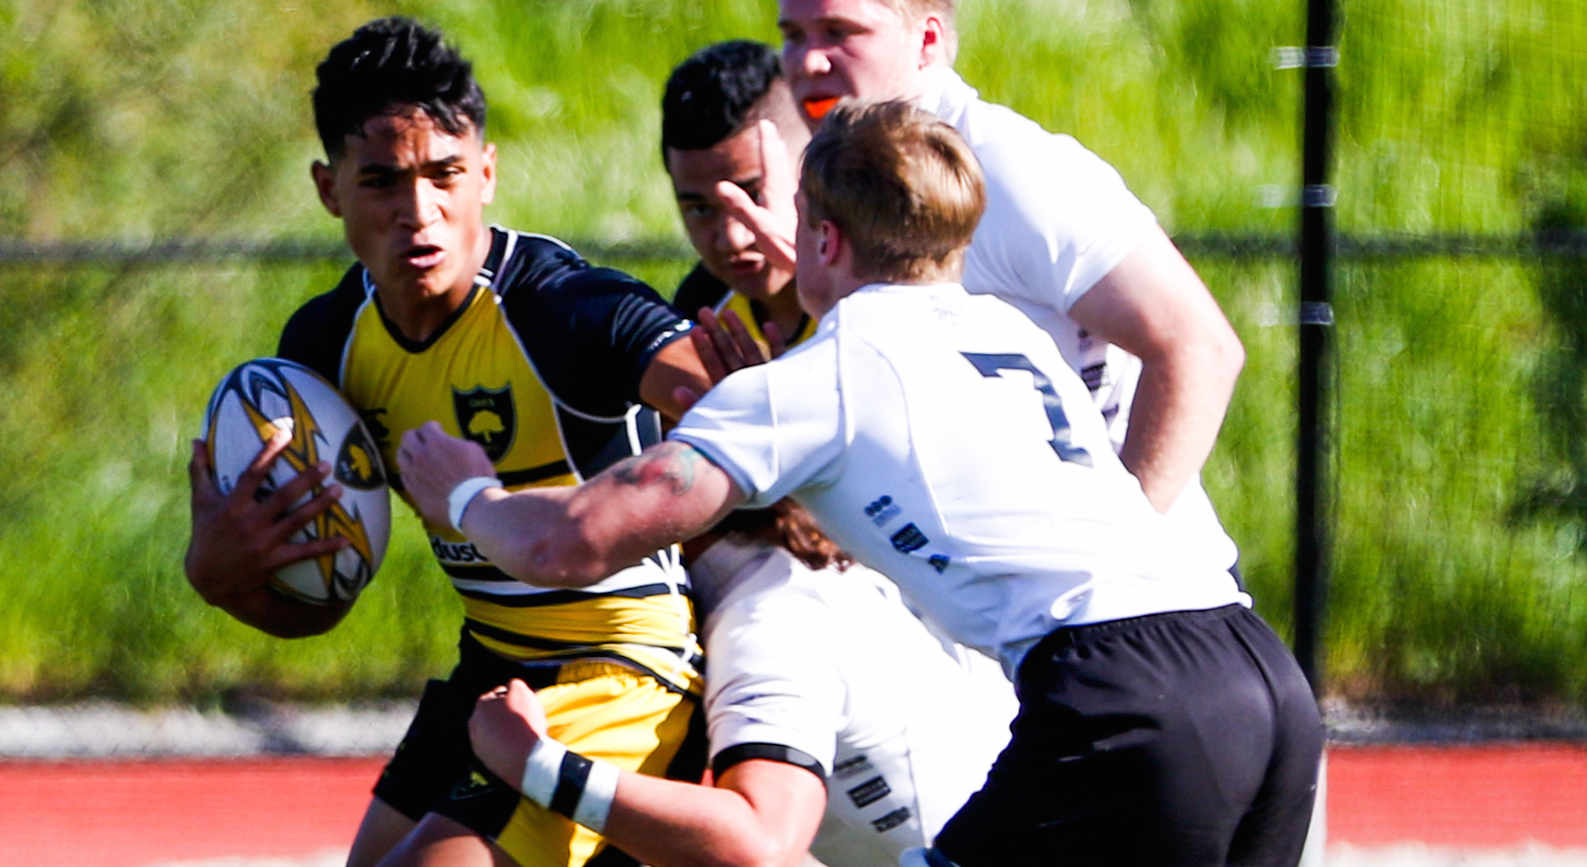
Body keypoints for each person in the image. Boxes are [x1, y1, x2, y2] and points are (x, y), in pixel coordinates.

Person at [399, 101, 1323, 867]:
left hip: (1123, 698)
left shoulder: (820, 378)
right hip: (1259, 673)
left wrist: (467, 495)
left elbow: (573, 541)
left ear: (823, 235)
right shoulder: (1013, 338)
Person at [182, 18, 714, 867]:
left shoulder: (562, 309)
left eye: (445, 174)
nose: (419, 212)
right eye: (384, 181)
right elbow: (315, 605)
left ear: (488, 173)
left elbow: (733, 403)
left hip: (620, 671)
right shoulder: (324, 351)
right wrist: (218, 573)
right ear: (329, 189)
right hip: (490, 671)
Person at [663, 40, 813, 354]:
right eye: (701, 209)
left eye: (755, 196)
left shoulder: (888, 290)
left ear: (816, 165)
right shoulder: (698, 311)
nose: (733, 239)